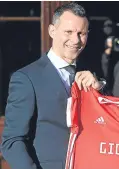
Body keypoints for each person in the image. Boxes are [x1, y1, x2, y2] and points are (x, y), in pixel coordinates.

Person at [1, 2, 105, 169]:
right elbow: (12, 142)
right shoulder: (26, 78)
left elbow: (107, 124)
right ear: (52, 31)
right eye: (68, 32)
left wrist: (99, 88)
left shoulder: (91, 75)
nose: (75, 40)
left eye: (81, 33)